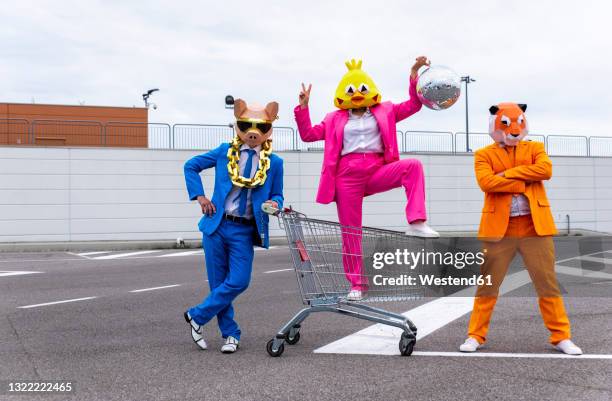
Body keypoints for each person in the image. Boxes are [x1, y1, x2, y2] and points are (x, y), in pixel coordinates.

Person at [294, 57, 439, 301]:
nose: (358, 94)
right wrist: (303, 108)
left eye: (362, 88)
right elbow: (308, 135)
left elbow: (414, 105)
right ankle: (357, 285)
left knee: (412, 166)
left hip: (376, 168)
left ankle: (416, 221)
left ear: (371, 90)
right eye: (352, 90)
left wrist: (414, 73)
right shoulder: (333, 119)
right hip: (347, 176)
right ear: (342, 94)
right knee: (351, 232)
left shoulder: (386, 111)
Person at [459, 102, 582, 355]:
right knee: (488, 284)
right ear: (494, 125)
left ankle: (561, 337)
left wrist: (508, 174)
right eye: (506, 124)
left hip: (534, 226)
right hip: (498, 230)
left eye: (518, 123)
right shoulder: (483, 154)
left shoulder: (535, 147)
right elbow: (486, 182)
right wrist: (521, 183)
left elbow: (545, 170)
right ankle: (475, 335)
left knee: (547, 283)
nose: (514, 130)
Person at [183, 99, 284, 353]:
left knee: (239, 281)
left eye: (260, 127)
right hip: (216, 226)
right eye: (246, 125)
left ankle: (196, 316)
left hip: (244, 229)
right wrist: (200, 197)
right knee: (218, 284)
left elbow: (279, 196)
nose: (253, 132)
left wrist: (275, 202)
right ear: (238, 125)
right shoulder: (223, 151)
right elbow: (191, 166)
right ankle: (230, 334)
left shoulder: (275, 163)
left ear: (269, 128)